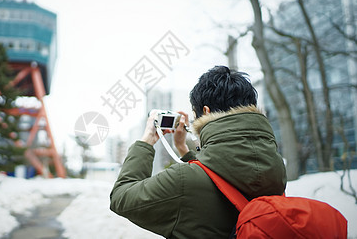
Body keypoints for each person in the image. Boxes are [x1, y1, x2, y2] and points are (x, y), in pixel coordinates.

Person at [110, 66, 287, 238]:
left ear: (205, 111)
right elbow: (221, 175)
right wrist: (183, 149)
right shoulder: (276, 169)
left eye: (195, 117)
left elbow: (121, 197)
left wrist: (147, 139)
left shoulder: (182, 181)